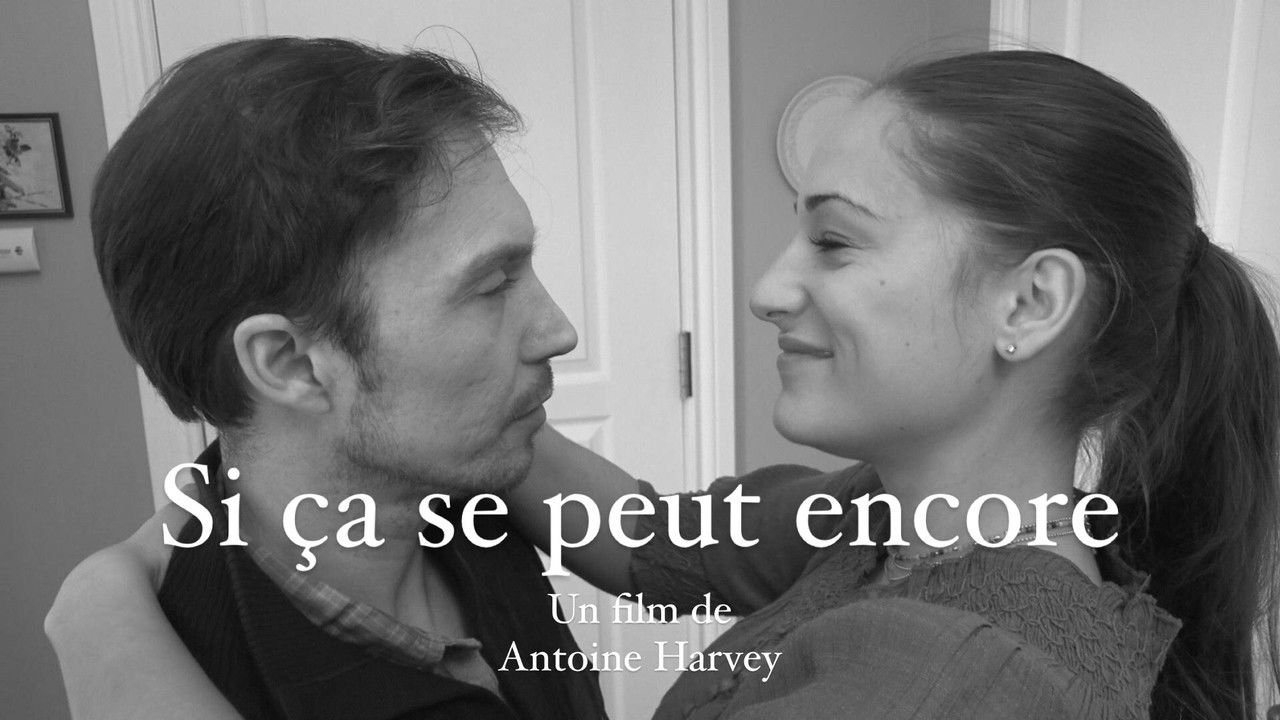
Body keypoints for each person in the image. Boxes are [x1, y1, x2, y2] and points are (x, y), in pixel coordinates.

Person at [48, 50, 1280, 719]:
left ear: (1030, 304)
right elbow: (653, 542)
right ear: (287, 363)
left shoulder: (952, 677)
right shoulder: (882, 522)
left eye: (834, 239)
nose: (768, 288)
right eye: (490, 284)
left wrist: (97, 623)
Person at [48, 36, 607, 720]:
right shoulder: (194, 673)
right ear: (290, 364)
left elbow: (680, 548)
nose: (558, 332)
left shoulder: (466, 481)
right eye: (492, 285)